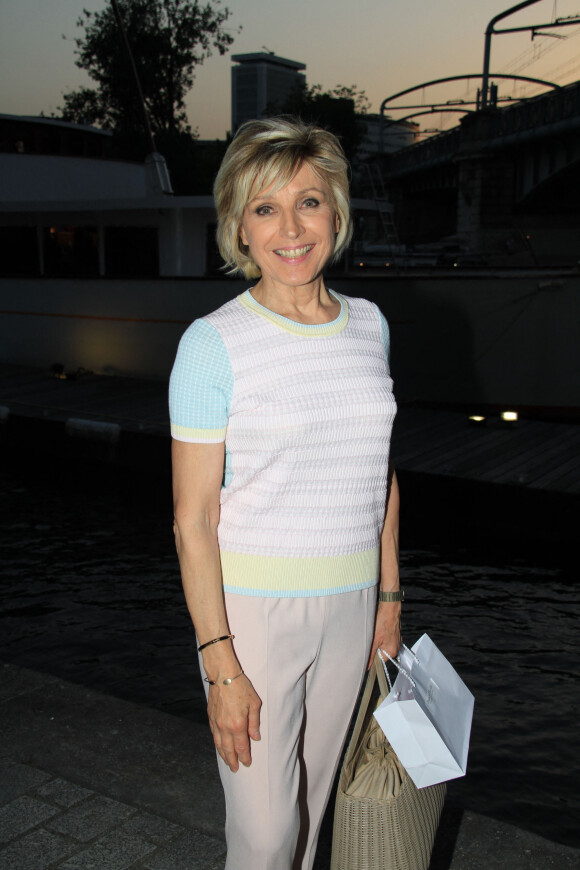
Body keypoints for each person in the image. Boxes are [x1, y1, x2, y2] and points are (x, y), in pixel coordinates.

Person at [169, 116, 401, 870]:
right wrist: (221, 665)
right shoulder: (213, 343)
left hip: (353, 601)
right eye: (266, 207)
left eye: (309, 201)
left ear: (336, 211)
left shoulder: (369, 326)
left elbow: (381, 473)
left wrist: (389, 603)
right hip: (254, 616)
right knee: (265, 835)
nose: (291, 227)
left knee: (310, 818)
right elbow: (193, 521)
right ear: (239, 224)